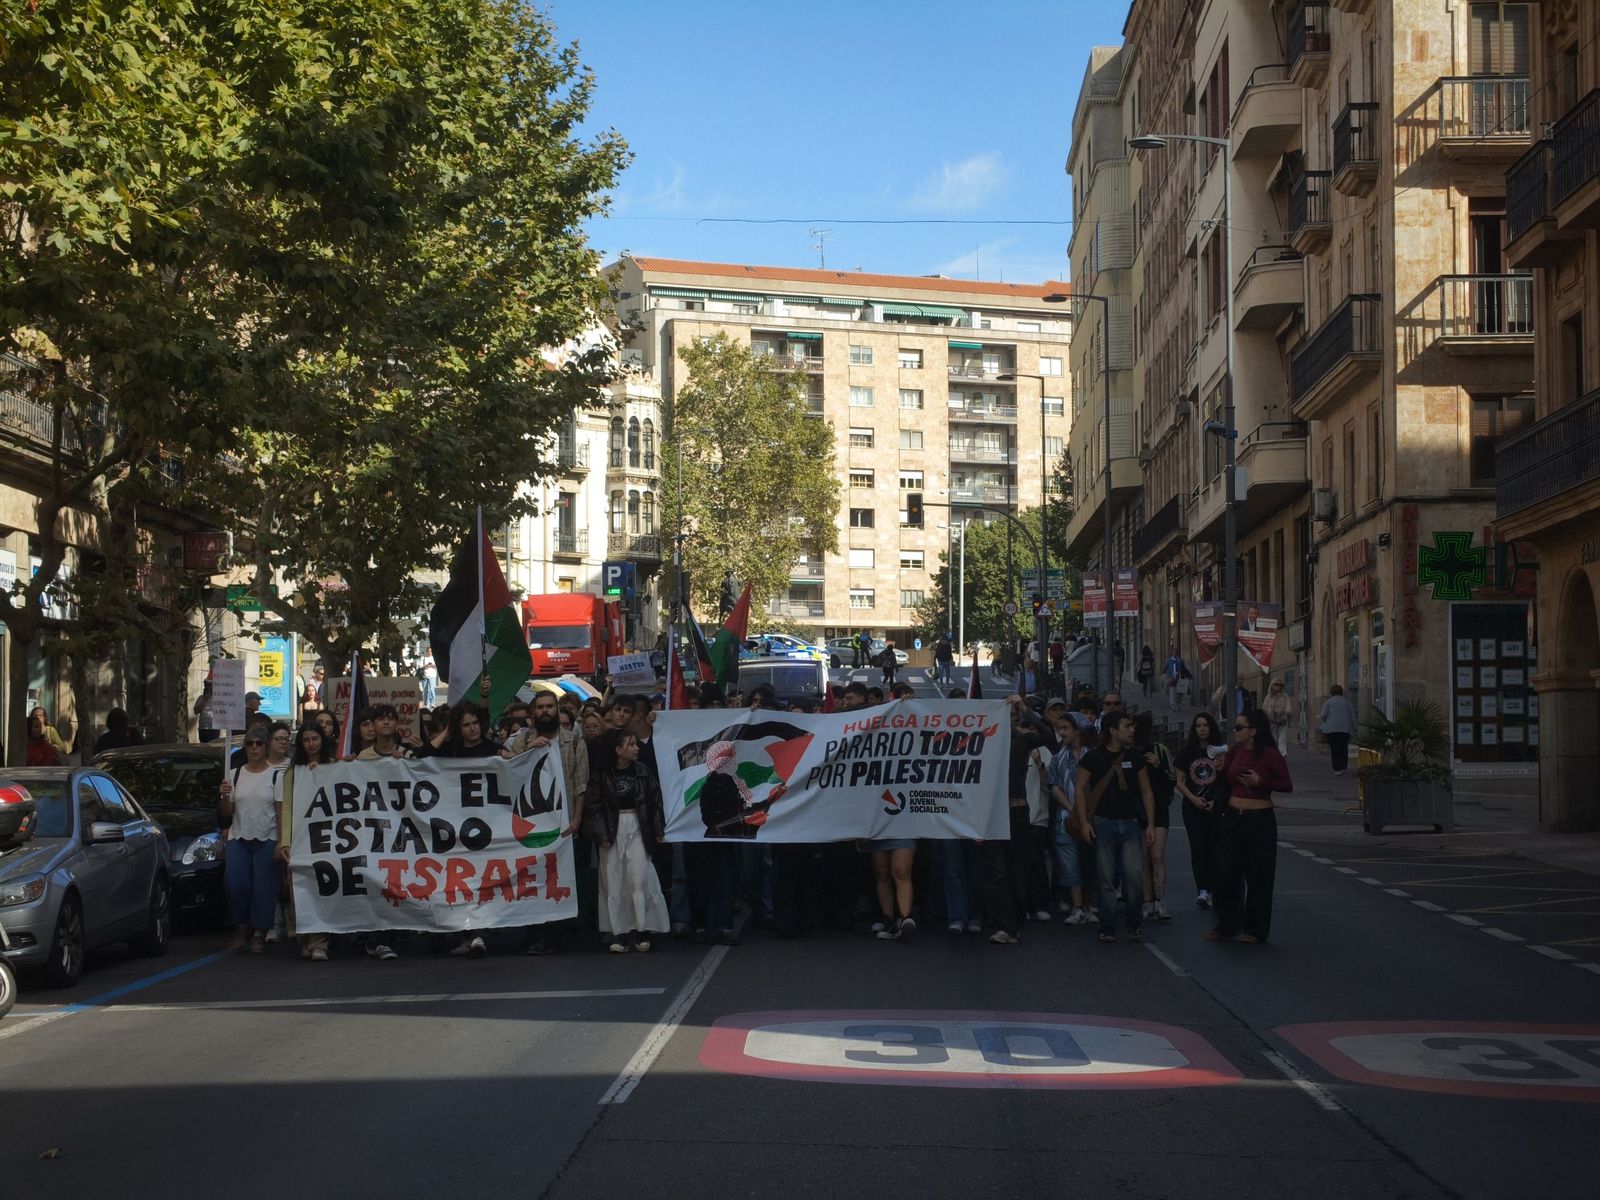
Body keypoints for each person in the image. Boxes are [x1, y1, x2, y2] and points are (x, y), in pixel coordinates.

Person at [1208, 708, 1292, 944]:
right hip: (1234, 816)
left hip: (1259, 820)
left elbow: (1286, 784)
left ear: (1253, 731)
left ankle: (1254, 929)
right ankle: (1227, 924)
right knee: (1225, 871)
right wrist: (1220, 770)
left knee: (1259, 875)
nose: (1234, 731)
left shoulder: (1269, 755)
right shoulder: (1235, 752)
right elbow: (1227, 780)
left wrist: (1260, 781)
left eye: (1238, 728)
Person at [584, 728, 670, 953]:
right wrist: (601, 834)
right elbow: (593, 807)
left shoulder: (643, 771)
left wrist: (658, 829)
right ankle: (617, 932)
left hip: (638, 826)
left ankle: (639, 928)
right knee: (613, 878)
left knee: (638, 877)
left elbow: (655, 802)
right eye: (630, 744)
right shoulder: (602, 774)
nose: (636, 748)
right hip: (612, 829)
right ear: (618, 750)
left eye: (635, 743)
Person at [1077, 709, 1156, 944]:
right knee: (1106, 877)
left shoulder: (1136, 758)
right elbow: (1080, 789)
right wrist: (1083, 822)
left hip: (1130, 823)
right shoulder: (1092, 758)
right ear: (1112, 731)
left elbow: (1146, 791)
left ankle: (1133, 923)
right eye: (1126, 726)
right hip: (1103, 823)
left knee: (1133, 875)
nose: (1132, 730)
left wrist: (1150, 823)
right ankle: (1107, 925)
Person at [983, 695, 1056, 944]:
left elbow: (1049, 737)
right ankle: (1005, 924)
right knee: (996, 872)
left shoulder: (1020, 741)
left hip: (1015, 811)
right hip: (990, 813)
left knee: (1016, 869)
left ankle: (1014, 920)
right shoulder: (981, 742)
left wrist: (1025, 709)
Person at [430, 702, 501, 958]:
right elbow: (423, 757)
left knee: (483, 883)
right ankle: (464, 935)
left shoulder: (494, 750)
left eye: (475, 724)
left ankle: (481, 934)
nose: (472, 729)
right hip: (456, 830)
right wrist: (446, 733)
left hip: (487, 829)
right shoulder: (451, 751)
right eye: (466, 725)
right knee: (460, 885)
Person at [217, 728, 286, 954]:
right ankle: (242, 925)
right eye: (250, 744)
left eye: (259, 743)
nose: (254, 748)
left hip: (267, 837)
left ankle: (259, 932)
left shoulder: (276, 775)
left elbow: (280, 811)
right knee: (236, 883)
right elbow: (227, 812)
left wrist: (281, 841)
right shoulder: (235, 774)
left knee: (264, 888)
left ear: (266, 747)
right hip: (239, 835)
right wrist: (225, 795)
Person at [275, 722, 337, 962]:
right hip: (302, 838)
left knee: (323, 889)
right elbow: (288, 809)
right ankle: (306, 938)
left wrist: (321, 775)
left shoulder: (334, 767)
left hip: (329, 838)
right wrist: (285, 841)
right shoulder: (292, 773)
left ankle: (320, 941)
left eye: (315, 739)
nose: (311, 744)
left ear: (322, 740)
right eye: (306, 740)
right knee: (300, 891)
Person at [1174, 712, 1228, 910]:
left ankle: (1214, 889)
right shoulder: (1188, 752)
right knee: (1198, 848)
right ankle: (1202, 890)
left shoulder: (1219, 751)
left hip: (1215, 807)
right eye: (1198, 726)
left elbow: (1225, 780)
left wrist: (1216, 801)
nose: (1202, 729)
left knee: (1214, 848)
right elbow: (1178, 781)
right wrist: (1193, 799)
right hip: (1192, 807)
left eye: (1205, 725)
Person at [1046, 711, 1092, 926]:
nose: (1061, 733)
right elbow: (1054, 786)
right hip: (1066, 818)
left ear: (1077, 730)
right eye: (1059, 729)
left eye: (1065, 728)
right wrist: (1072, 808)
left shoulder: (1092, 755)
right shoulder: (1058, 757)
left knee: (1091, 861)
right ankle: (1077, 907)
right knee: (1070, 862)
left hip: (1092, 817)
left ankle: (1090, 904)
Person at [1133, 711, 1175, 923]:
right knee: (1144, 858)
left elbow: (1172, 781)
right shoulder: (1129, 752)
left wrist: (1157, 767)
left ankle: (1160, 900)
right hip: (1137, 809)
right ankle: (1148, 901)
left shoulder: (1160, 750)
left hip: (1158, 809)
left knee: (1156, 855)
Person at [1319, 683, 1358, 774]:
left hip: (1332, 729)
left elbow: (1323, 714)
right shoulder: (1347, 702)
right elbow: (1352, 716)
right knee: (1344, 748)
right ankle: (1343, 766)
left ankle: (1337, 768)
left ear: (1331, 692)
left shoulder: (1328, 702)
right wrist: (1355, 728)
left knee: (1334, 748)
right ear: (1341, 692)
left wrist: (1326, 720)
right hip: (1345, 728)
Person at [1264, 678, 1293, 756]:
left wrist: (1285, 713)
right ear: (1272, 686)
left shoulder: (1284, 696)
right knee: (1273, 740)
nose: (1278, 686)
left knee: (1282, 740)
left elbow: (1288, 708)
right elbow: (1265, 709)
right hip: (1272, 722)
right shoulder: (1268, 697)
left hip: (1282, 721)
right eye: (1276, 684)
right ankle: (1273, 755)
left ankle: (1282, 755)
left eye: (1280, 685)